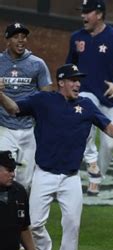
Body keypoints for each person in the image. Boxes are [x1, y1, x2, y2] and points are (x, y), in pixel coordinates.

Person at [0, 63, 113, 250]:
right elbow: (14, 109)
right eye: (73, 80)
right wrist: (1, 95)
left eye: (79, 80)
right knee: (33, 224)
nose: (78, 84)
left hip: (70, 178)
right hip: (44, 174)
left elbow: (106, 125)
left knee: (72, 224)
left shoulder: (86, 106)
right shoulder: (43, 101)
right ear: (61, 82)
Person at [66, 0, 113, 196]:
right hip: (86, 92)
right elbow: (69, 66)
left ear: (100, 14)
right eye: (83, 12)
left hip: (108, 99)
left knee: (110, 144)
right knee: (86, 127)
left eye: (88, 12)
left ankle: (98, 177)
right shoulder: (77, 38)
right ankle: (92, 166)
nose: (83, 16)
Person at [0, 22, 52, 191]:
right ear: (7, 40)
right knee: (3, 174)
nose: (21, 40)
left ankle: (20, 215)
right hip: (4, 129)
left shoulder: (37, 64)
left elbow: (46, 96)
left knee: (24, 181)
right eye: (16, 37)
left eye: (23, 37)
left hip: (29, 130)